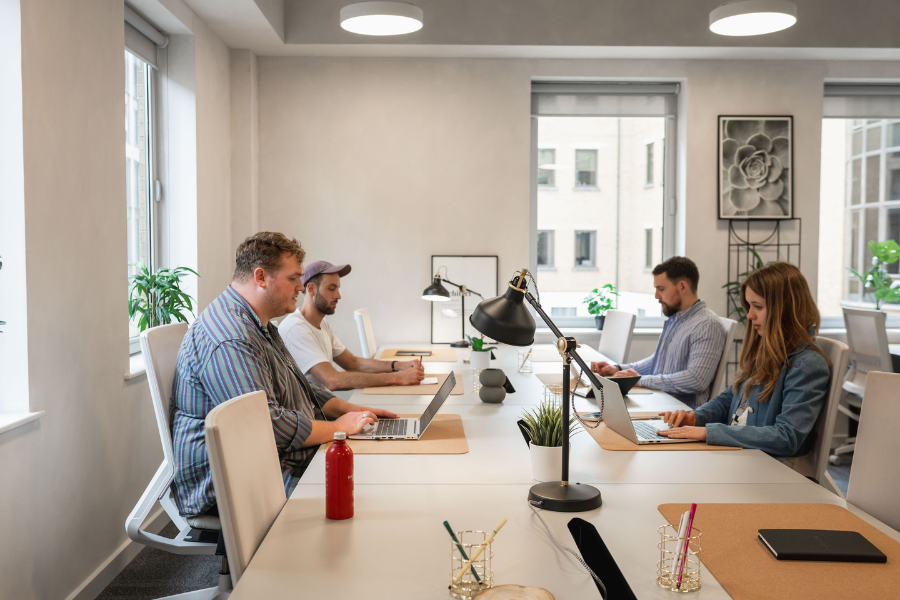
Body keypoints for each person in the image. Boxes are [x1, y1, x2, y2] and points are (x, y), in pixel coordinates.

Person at [171, 233, 396, 521]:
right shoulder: (231, 337)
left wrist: (351, 411)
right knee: (368, 496)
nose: (302, 287)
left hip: (266, 458)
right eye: (293, 279)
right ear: (261, 277)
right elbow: (265, 425)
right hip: (229, 480)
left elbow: (299, 387)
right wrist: (339, 428)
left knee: (373, 473)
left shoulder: (258, 324)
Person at [656, 262, 832, 460]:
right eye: (749, 306)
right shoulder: (768, 352)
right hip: (736, 455)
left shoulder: (807, 365)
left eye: (758, 307)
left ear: (785, 310)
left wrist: (709, 432)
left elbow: (787, 437)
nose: (749, 315)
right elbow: (731, 397)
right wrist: (696, 417)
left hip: (759, 466)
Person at [590, 256, 726, 408]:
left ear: (682, 287)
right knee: (599, 405)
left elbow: (696, 379)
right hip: (657, 401)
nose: (656, 296)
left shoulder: (707, 324)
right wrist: (619, 369)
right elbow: (657, 361)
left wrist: (639, 380)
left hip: (677, 413)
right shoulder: (677, 319)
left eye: (661, 289)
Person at [279, 260, 425, 391]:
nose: (338, 295)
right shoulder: (296, 329)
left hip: (326, 408)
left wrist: (397, 366)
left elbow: (353, 363)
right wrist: (398, 378)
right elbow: (333, 380)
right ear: (311, 289)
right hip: (313, 416)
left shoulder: (322, 323)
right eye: (331, 288)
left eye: (338, 288)